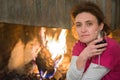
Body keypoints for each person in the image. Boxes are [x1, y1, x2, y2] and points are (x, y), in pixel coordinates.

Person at [66, 1, 120, 80]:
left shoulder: (108, 47)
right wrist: (83, 56)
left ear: (100, 26)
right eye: (78, 25)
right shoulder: (80, 45)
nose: (83, 30)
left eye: (89, 24)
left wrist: (83, 56)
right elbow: (70, 78)